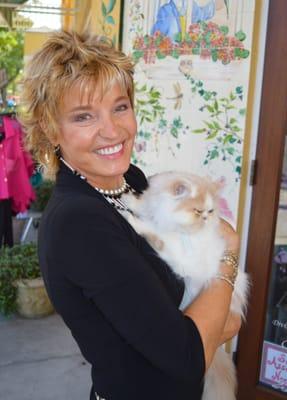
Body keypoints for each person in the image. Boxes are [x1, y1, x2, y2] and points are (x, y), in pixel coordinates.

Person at [21, 30, 241, 400]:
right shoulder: (78, 222)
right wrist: (227, 257)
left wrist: (211, 320)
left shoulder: (131, 182)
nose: (112, 130)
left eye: (120, 106)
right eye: (84, 116)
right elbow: (188, 358)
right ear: (49, 128)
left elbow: (203, 318)